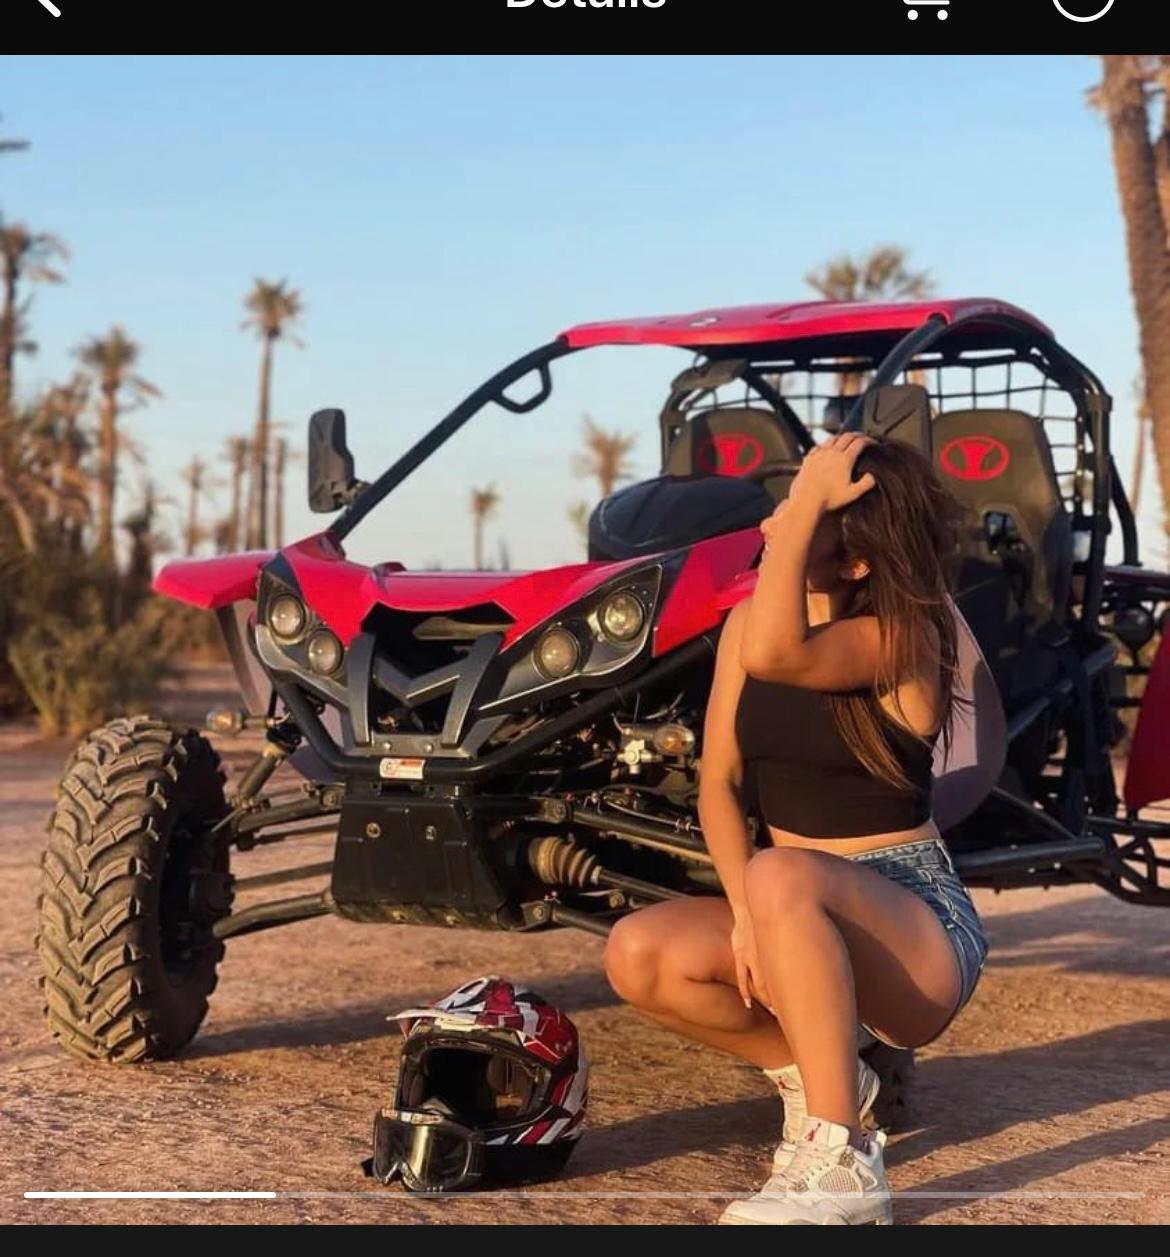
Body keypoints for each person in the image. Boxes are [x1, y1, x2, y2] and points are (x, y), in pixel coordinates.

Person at [604, 432, 990, 1225]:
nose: (779, 516)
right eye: (789, 497)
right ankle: (820, 1081)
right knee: (637, 952)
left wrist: (765, 892)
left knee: (779, 872)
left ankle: (843, 1162)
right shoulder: (746, 624)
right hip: (790, 909)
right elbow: (719, 782)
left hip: (915, 927)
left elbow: (787, 651)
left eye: (805, 511)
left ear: (854, 562)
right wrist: (746, 917)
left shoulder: (904, 635)